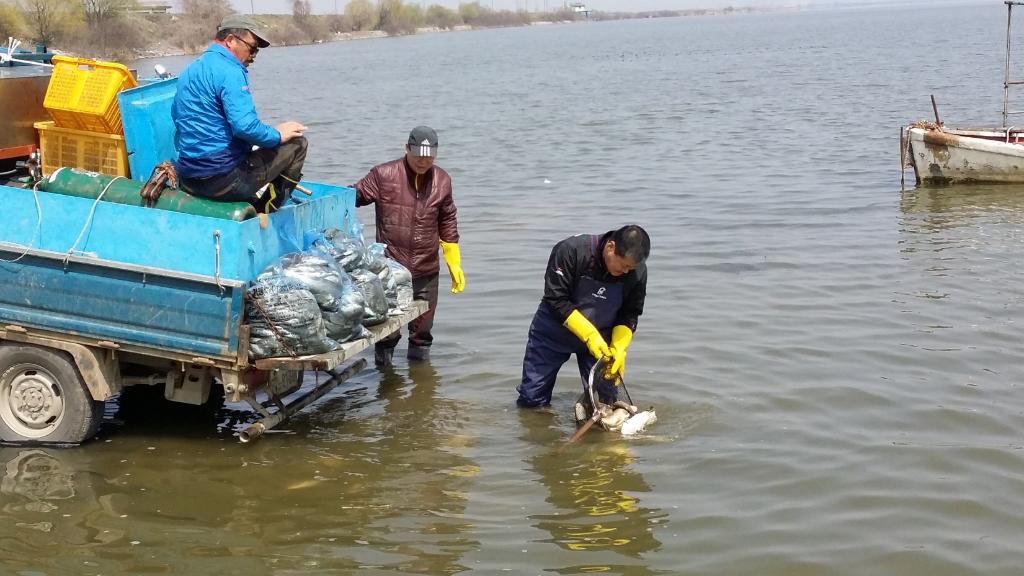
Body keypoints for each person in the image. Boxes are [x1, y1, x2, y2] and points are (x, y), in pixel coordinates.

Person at [171, 15, 308, 213]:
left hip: (189, 178)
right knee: (298, 144)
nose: (253, 55)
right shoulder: (231, 70)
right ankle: (264, 213)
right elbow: (244, 126)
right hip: (223, 182)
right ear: (230, 40)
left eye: (257, 51)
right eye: (252, 48)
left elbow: (177, 116)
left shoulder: (190, 69)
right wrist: (278, 135)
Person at [353, 126, 464, 367]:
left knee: (422, 332)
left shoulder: (442, 180)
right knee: (386, 331)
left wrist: (453, 258)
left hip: (426, 269)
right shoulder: (383, 175)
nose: (423, 162)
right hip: (390, 269)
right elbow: (353, 197)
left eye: (429, 157)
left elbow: (447, 218)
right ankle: (384, 377)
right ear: (406, 149)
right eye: (418, 157)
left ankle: (422, 388)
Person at [516, 225, 650, 410]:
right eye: (624, 265)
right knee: (532, 401)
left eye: (632, 268)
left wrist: (619, 347)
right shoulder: (571, 250)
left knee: (606, 404)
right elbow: (556, 299)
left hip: (601, 342)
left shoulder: (637, 272)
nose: (627, 272)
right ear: (610, 247)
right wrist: (589, 335)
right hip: (553, 333)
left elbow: (629, 313)